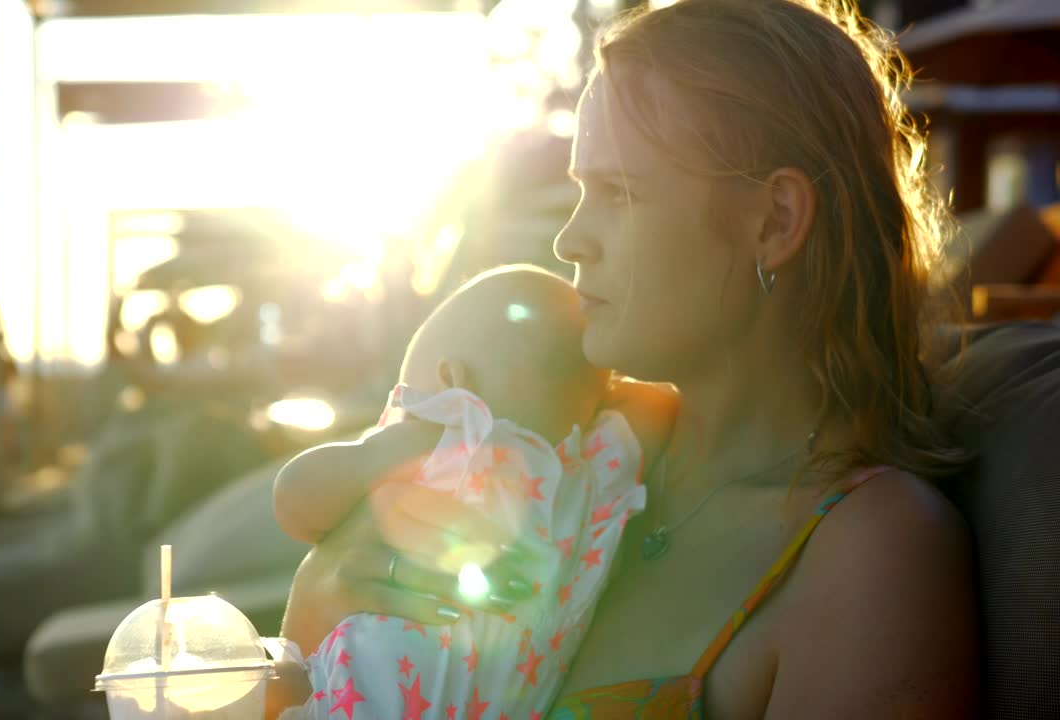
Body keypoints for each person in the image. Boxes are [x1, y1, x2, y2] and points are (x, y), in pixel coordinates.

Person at [276, 0, 980, 717]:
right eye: (582, 192)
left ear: (775, 222)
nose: (571, 240)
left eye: (619, 193)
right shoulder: (577, 456)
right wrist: (322, 593)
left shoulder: (873, 555)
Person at [271, 265, 648, 719]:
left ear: (452, 383)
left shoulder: (447, 434)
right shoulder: (590, 480)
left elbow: (294, 501)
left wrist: (379, 451)